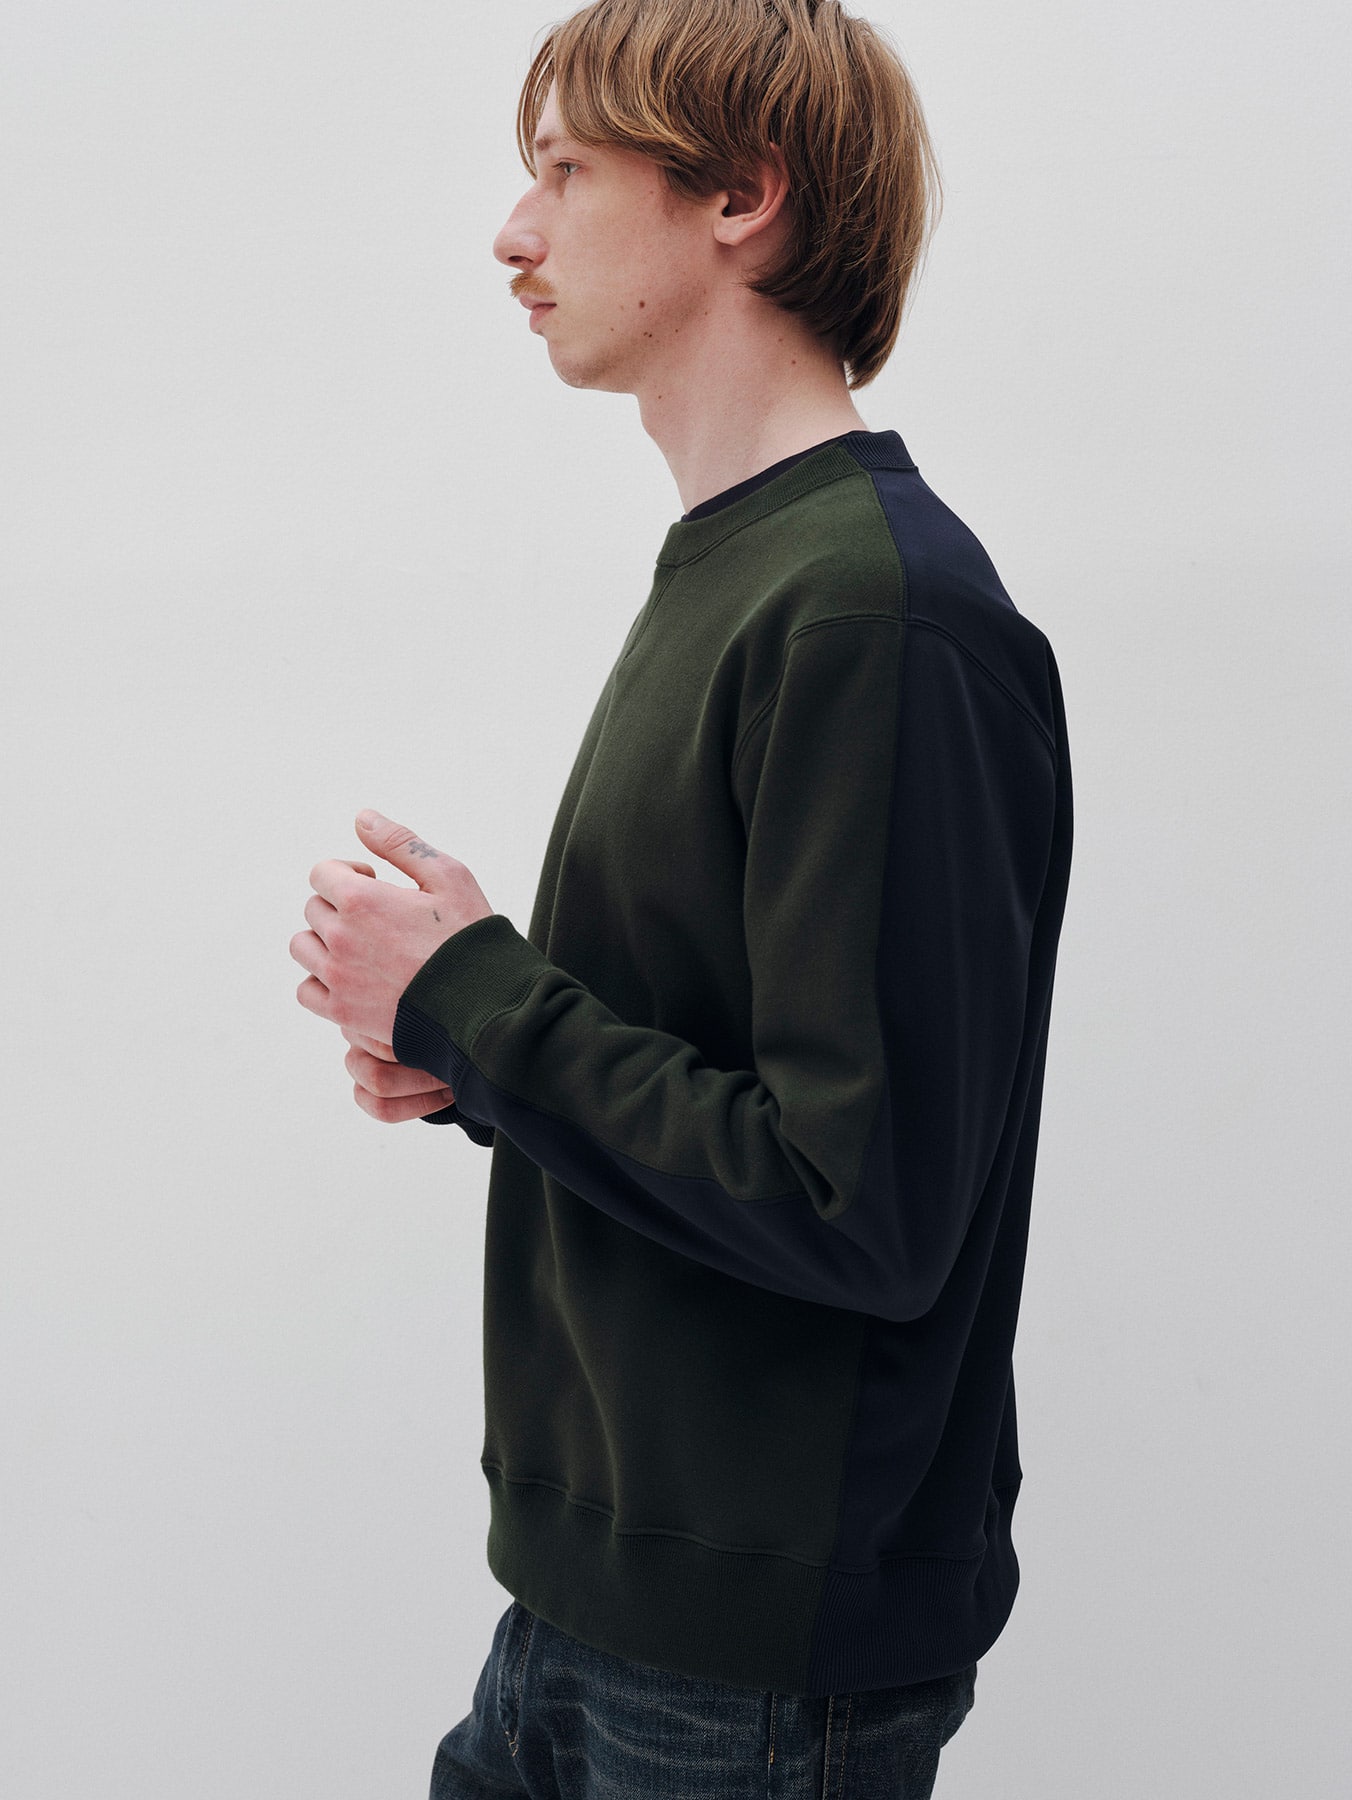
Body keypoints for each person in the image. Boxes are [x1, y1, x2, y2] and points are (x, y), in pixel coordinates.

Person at [288, 1, 1074, 1793]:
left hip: (750, 1671)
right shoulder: (748, 574)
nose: (514, 232)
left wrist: (480, 1001)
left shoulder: (874, 616)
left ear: (740, 195)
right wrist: (466, 1045)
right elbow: (729, 1073)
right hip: (596, 1607)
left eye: (566, 171)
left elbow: (859, 1201)